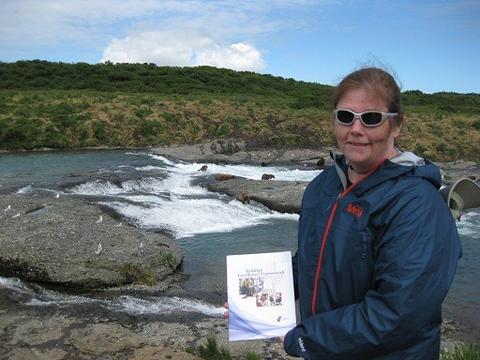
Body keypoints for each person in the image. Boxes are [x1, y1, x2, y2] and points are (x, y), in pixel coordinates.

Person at [282, 67, 461, 359]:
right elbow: (310, 259)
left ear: (396, 125)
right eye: (345, 117)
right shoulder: (323, 186)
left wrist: (305, 339)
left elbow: (398, 315)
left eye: (371, 118)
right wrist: (252, 303)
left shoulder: (418, 203)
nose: (355, 129)